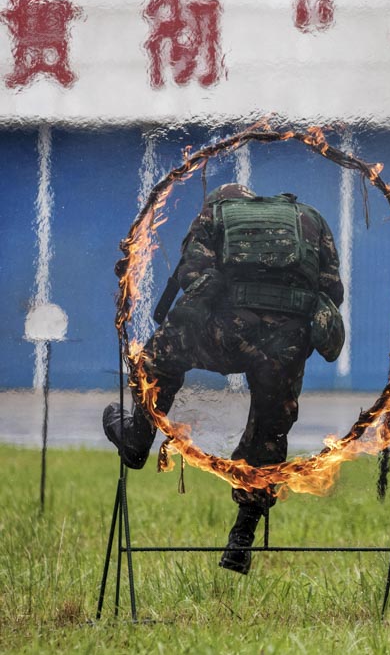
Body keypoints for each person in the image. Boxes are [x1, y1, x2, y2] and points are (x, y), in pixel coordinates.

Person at [103, 183, 345, 575]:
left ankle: (138, 437)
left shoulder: (216, 213)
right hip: (286, 343)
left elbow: (192, 274)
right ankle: (241, 540)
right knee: (269, 430)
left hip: (225, 331)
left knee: (157, 359)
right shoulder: (312, 219)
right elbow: (332, 289)